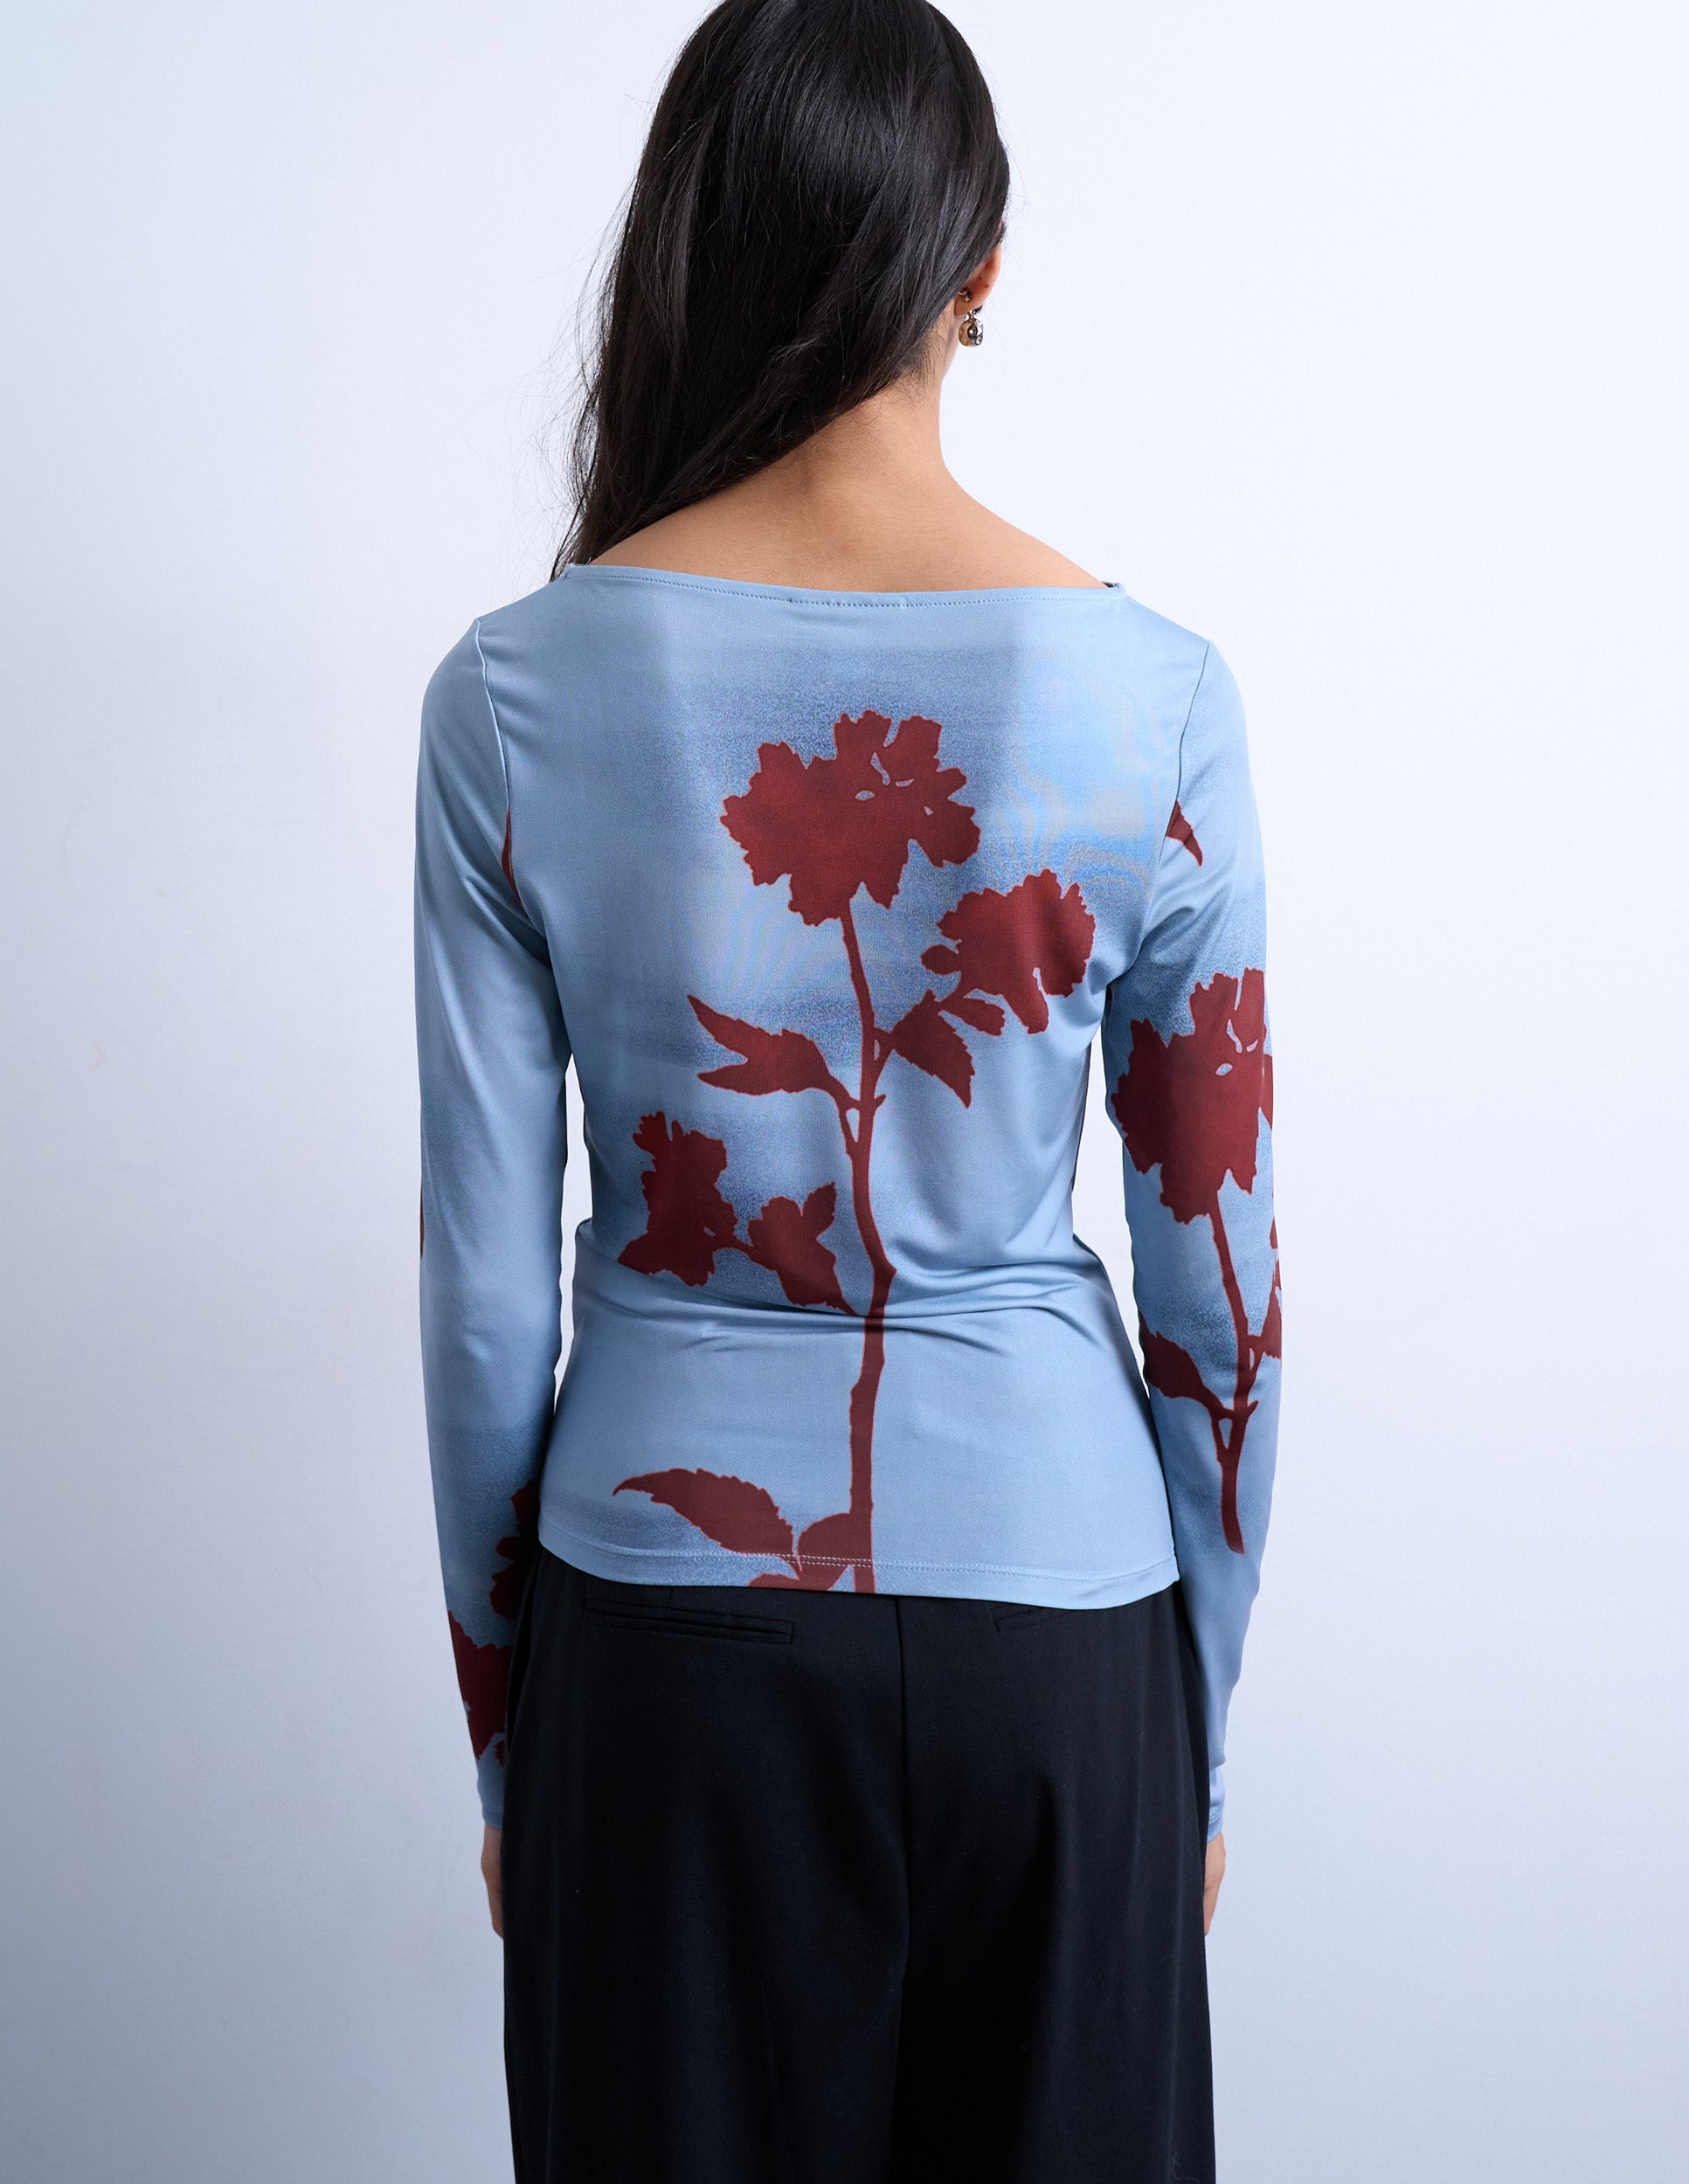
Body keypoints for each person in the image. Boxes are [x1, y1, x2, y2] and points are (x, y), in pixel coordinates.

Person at [414, 1, 1282, 2175]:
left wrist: (513, 1733)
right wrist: (1188, 1729)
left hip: (659, 1642)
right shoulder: (1154, 698)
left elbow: (483, 1304)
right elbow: (1221, 1284)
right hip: (1059, 1647)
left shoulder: (512, 694)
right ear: (975, 270)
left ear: (693, 247)